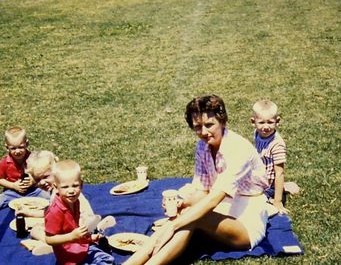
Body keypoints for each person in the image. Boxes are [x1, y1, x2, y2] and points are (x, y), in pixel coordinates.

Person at [123, 95, 270, 265]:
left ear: (222, 122)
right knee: (186, 214)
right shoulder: (203, 146)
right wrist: (182, 203)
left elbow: (214, 198)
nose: (204, 132)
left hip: (247, 218)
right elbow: (202, 191)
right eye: (198, 127)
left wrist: (173, 225)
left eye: (209, 125)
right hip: (225, 208)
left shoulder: (239, 149)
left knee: (190, 218)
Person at [44, 160, 114, 265]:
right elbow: (49, 239)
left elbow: (74, 228)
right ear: (56, 188)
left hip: (82, 247)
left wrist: (89, 238)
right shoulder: (55, 211)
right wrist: (71, 237)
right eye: (65, 187)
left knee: (107, 260)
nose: (71, 190)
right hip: (69, 257)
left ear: (81, 185)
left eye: (75, 185)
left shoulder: (75, 201)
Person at [251, 100, 299, 214]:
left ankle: (276, 193)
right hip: (259, 177)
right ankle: (284, 187)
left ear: (277, 121)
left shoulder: (277, 145)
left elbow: (279, 173)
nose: (266, 127)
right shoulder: (257, 133)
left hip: (268, 185)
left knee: (254, 204)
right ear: (253, 122)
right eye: (261, 122)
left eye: (270, 122)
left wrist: (277, 201)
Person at [0, 126, 49, 209]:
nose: (17, 151)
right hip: (12, 192)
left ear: (26, 144)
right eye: (13, 148)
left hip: (33, 190)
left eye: (21, 147)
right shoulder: (5, 162)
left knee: (49, 197)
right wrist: (13, 185)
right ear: (7, 147)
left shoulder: (33, 158)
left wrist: (33, 181)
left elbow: (40, 174)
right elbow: (1, 179)